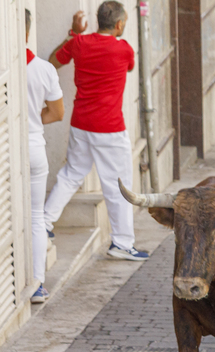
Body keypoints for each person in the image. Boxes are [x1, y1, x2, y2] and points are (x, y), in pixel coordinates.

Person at [44, 2, 148, 262]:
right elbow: (130, 67)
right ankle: (122, 243)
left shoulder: (79, 43)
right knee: (119, 184)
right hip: (110, 128)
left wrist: (74, 34)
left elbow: (52, 61)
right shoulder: (124, 49)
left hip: (81, 124)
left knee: (71, 174)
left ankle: (43, 223)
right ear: (120, 24)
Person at [25, 9, 65, 303]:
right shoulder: (43, 69)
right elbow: (57, 113)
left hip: (10, 152)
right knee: (37, 218)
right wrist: (31, 119)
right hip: (35, 148)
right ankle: (38, 284)